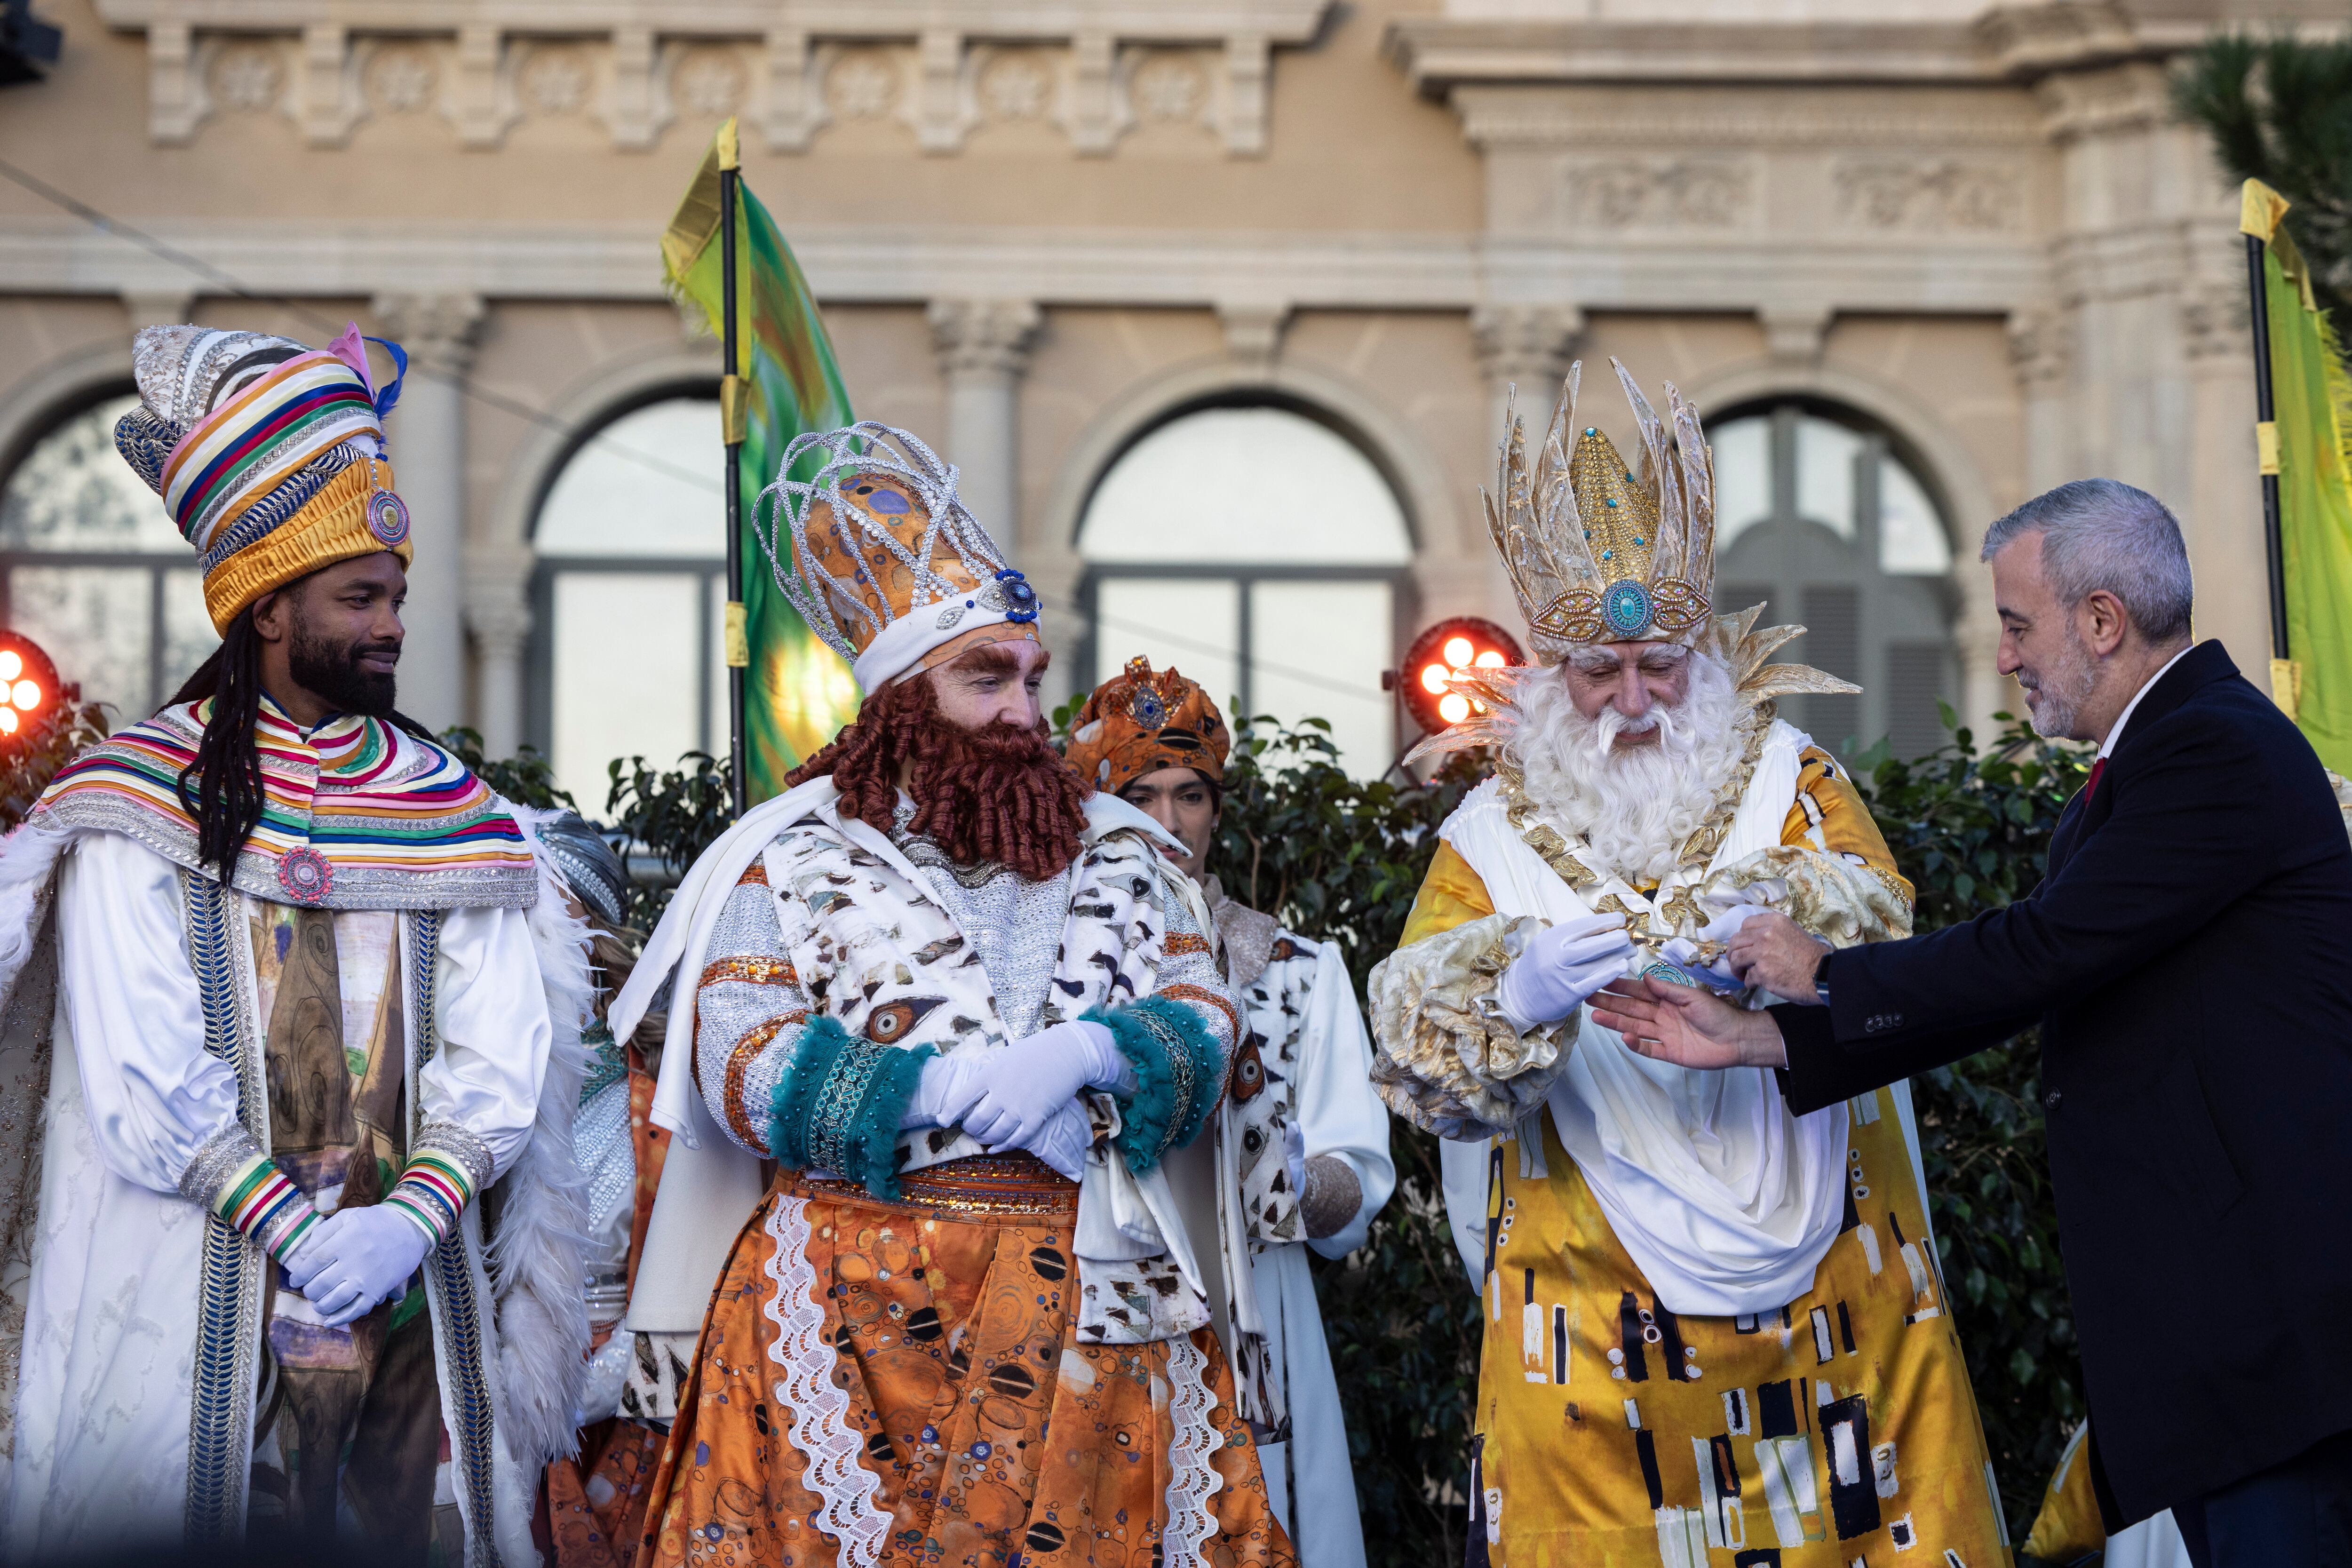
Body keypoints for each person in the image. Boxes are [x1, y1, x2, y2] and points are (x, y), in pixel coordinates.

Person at [1592, 478, 2352, 1568]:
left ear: (2101, 620)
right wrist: (1759, 1038)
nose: (2002, 658)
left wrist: (1822, 969)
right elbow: (2041, 980)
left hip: (2273, 1336)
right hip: (2228, 1344)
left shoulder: (2211, 751)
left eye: (2014, 623)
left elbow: (2037, 951)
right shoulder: (2150, 763)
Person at [606, 422, 1293, 1568]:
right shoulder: (784, 853)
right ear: (899, 703)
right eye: (986, 677)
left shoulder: (1128, 851)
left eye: (1031, 676)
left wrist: (1093, 1057)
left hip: (1097, 1304)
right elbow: (742, 1056)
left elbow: (1204, 1015)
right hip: (841, 1310)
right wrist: (947, 1086)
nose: (1026, 711)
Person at [1366, 362, 2009, 1565]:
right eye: (1596, 674)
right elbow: (1413, 1059)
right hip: (1593, 1311)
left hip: (1837, 1290)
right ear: (1549, 679)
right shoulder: (1486, 838)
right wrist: (1517, 985)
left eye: (1659, 664)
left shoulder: (1794, 779)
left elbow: (1890, 935)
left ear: (1704, 652)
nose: (1631, 699)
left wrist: (1775, 926)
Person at [0, 323, 595, 1558]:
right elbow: (140, 1071)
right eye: (359, 597)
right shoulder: (137, 801)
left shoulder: (454, 810)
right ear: (269, 608)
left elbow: (499, 1051)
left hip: (409, 1295)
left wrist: (405, 1216)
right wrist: (293, 1227)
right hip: (192, 1287)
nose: (391, 625)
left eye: (398, 597)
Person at [1067, 657, 1395, 1568]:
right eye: (1141, 794)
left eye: (1192, 795)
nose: (1169, 823)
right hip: (1094, 1293)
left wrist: (1280, 1181)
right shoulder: (1057, 970)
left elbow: (1359, 1168)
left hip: (1260, 1293)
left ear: (1218, 808)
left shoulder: (1297, 967)